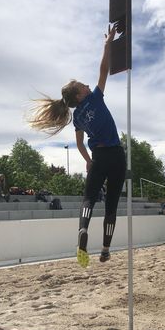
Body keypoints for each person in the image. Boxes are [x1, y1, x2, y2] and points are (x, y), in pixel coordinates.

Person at [28, 25, 126, 268]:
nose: (87, 85)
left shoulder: (78, 117)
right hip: (117, 156)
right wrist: (107, 45)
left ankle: (83, 231)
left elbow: (80, 143)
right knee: (112, 204)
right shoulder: (95, 98)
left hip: (99, 157)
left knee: (88, 200)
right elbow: (104, 69)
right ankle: (105, 249)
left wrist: (88, 161)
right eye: (83, 85)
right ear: (81, 94)